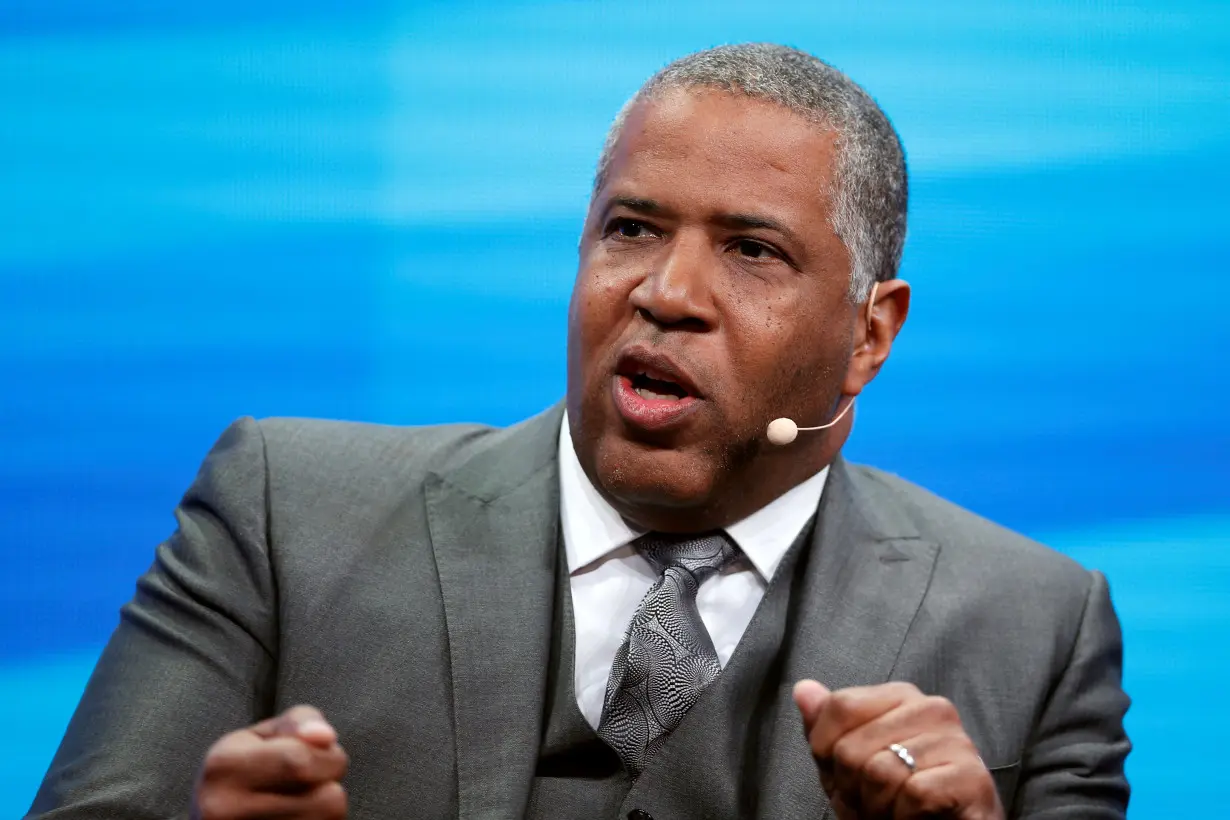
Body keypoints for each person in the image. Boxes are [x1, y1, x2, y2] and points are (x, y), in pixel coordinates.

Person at [28, 43, 1130, 820]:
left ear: (868, 334)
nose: (666, 290)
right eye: (632, 228)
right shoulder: (283, 509)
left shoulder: (1034, 629)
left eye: (752, 250)